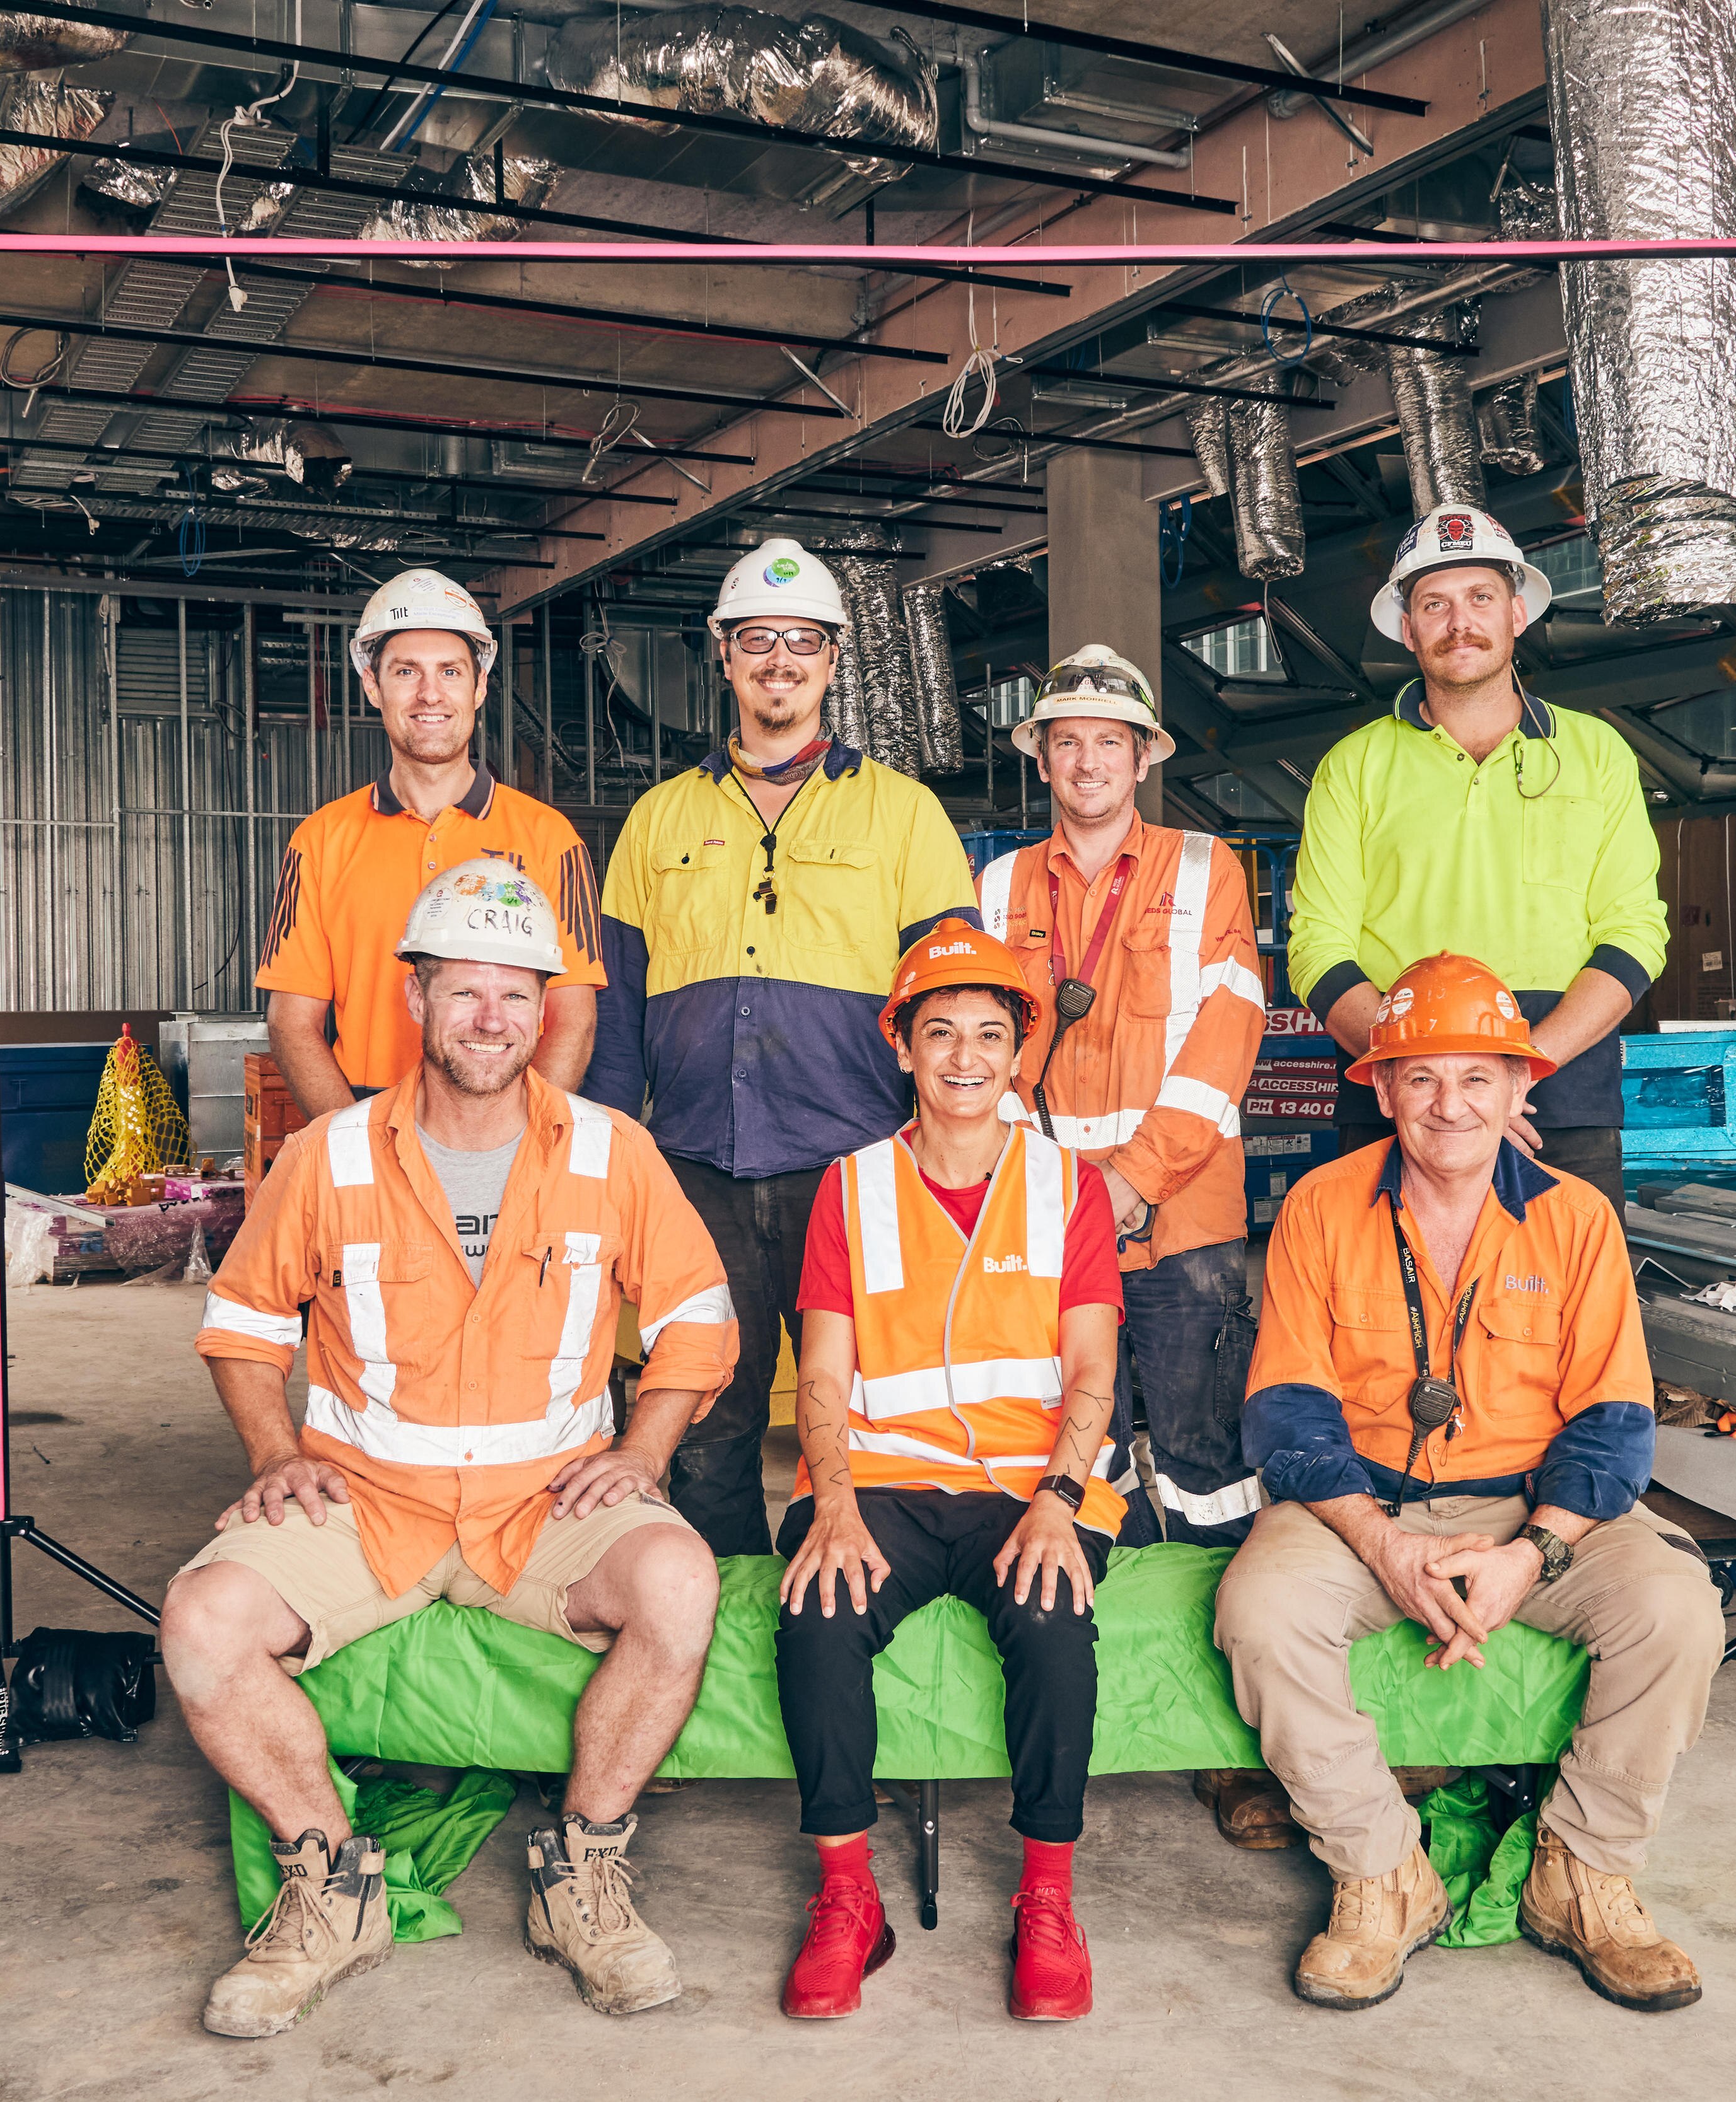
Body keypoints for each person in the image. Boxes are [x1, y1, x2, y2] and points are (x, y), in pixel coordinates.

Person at [162, 858, 738, 2036]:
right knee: (202, 1621)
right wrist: (273, 1452)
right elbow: (246, 1325)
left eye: (517, 994)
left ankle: (582, 1874)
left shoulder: (609, 1150)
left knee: (679, 1580)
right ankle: (331, 1889)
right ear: (415, 997)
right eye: (466, 990)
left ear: (546, 1010)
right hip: (370, 1502)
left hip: (546, 1503)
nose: (491, 1017)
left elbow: (697, 1315)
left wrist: (645, 1449)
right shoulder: (329, 1154)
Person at [1210, 952, 1721, 2015]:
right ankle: (1382, 1872)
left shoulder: (1577, 1218)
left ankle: (1581, 1871)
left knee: (1677, 1607)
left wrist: (1531, 1554)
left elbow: (1615, 1424)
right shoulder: (1318, 1205)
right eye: (1423, 1077)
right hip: (1361, 1505)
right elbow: (1288, 1410)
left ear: (1521, 1086)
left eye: (1478, 1077)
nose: (1450, 1104)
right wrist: (1383, 1543)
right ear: (1382, 1089)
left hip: (1538, 1505)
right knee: (1261, 1609)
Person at [587, 538, 982, 1558]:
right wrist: (607, 1169)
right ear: (722, 652)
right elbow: (614, 1015)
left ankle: (840, 1596)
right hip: (692, 1171)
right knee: (703, 1406)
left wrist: (946, 1165)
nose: (780, 659)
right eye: (758, 638)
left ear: (835, 657)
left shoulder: (906, 816)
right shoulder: (657, 819)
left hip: (854, 1168)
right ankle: (714, 1603)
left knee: (857, 1406)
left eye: (803, 639)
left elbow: (954, 1005)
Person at [775, 920, 1124, 2024]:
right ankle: (847, 1895)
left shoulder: (1069, 1186)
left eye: (989, 1032)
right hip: (881, 1478)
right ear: (902, 1046)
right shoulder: (850, 1187)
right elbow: (822, 1370)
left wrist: (1060, 1502)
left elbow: (1093, 1366)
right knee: (820, 1612)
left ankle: (1048, 1897)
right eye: (940, 1032)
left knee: (1053, 1615)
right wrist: (832, 1504)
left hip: (1029, 1482)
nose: (965, 1055)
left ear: (1019, 1051)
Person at [1286, 506, 1668, 1210]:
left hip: (1558, 1099)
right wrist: (1425, 1080)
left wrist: (1524, 1071)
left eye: (1480, 598)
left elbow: (1635, 934)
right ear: (1408, 629)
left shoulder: (1597, 754)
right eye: (1434, 604)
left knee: (1568, 1284)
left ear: (1517, 614)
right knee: (1385, 1285)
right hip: (1396, 1097)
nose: (1459, 622)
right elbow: (1316, 948)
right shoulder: (1352, 767)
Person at [974, 645, 1267, 1545]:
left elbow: (1226, 1038)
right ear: (1041, 758)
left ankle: (1214, 1608)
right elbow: (984, 1055)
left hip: (1182, 1219)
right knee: (1081, 1451)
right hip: (1049, 1221)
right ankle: (1108, 1612)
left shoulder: (1205, 869)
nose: (1088, 761)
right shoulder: (997, 887)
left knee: (1203, 1456)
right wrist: (1058, 1193)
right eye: (1067, 741)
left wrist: (1132, 1180)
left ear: (1143, 758)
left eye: (1110, 741)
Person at [258, 567, 606, 1117]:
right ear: (372, 686)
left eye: (450, 671)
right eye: (406, 672)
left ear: (479, 686)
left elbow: (573, 1018)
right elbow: (292, 1022)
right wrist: (350, 1143)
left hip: (507, 1116)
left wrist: (524, 1138)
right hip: (365, 1108)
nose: (430, 694)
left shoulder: (551, 839)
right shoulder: (319, 842)